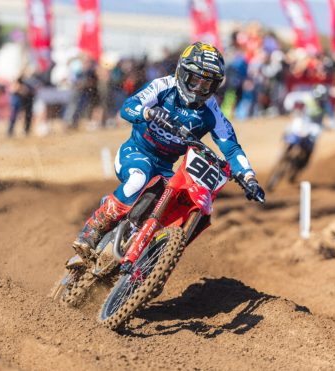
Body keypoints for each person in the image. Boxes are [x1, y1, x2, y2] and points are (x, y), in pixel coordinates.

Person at [71, 42, 265, 268]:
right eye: (195, 80)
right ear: (183, 73)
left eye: (207, 85)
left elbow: (231, 147)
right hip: (136, 151)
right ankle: (91, 231)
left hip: (165, 167)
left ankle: (143, 258)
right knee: (138, 180)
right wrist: (147, 112)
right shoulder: (163, 86)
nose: (199, 89)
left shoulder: (211, 111)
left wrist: (249, 177)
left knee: (171, 204)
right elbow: (128, 106)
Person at [281, 84, 335, 179]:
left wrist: (333, 126)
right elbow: (292, 97)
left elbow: (332, 118)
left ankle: (303, 163)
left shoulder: (326, 105)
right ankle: (286, 148)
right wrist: (289, 107)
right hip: (304, 121)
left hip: (315, 125)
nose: (318, 101)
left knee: (311, 142)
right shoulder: (308, 97)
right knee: (292, 128)